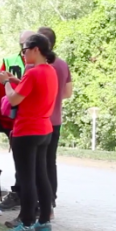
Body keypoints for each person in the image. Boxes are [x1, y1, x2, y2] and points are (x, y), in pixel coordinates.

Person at [0, 33, 58, 231]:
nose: (23, 54)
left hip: (27, 130)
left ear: (36, 50)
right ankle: (44, 222)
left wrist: (6, 82)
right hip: (45, 129)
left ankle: (27, 223)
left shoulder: (32, 73)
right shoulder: (49, 71)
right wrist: (15, 80)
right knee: (42, 176)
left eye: (24, 50)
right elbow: (32, 89)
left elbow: (13, 99)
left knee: (26, 178)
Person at [0, 29, 36, 211]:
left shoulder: (41, 65)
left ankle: (31, 205)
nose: (24, 48)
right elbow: (0, 80)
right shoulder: (10, 60)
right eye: (22, 44)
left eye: (27, 44)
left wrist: (11, 84)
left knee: (32, 164)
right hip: (13, 114)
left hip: (30, 116)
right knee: (22, 161)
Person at [38, 27, 73, 209]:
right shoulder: (63, 64)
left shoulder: (35, 65)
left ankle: (39, 203)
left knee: (37, 163)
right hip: (56, 119)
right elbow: (68, 92)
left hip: (38, 120)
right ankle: (51, 200)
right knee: (51, 161)